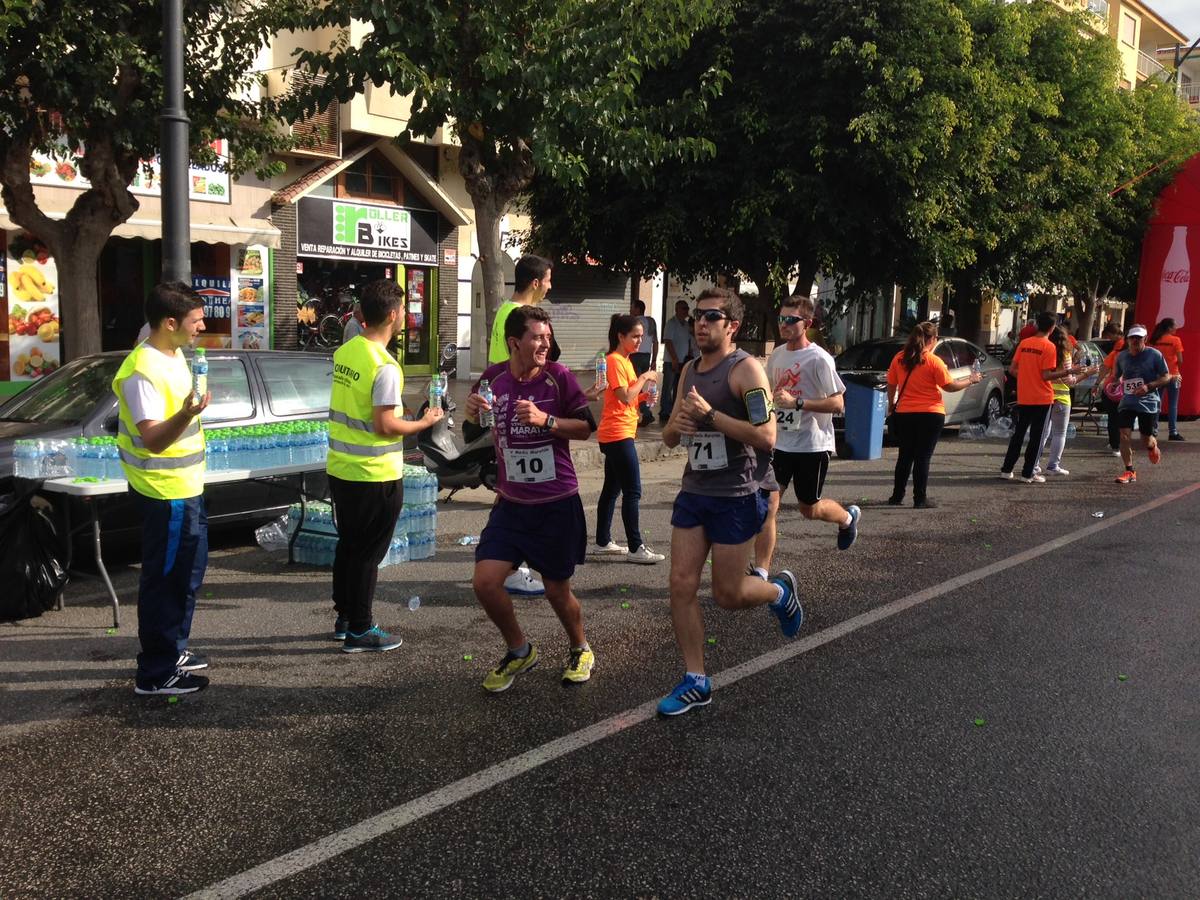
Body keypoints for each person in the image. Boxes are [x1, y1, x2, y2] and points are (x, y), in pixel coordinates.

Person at [657, 287, 801, 717]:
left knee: (729, 594)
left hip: (737, 494)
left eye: (711, 316)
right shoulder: (688, 373)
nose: (700, 323)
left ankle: (778, 592)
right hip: (695, 491)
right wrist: (677, 425)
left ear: (732, 325)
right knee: (680, 584)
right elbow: (669, 436)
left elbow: (768, 436)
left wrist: (712, 417)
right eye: (696, 317)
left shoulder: (747, 371)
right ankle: (696, 680)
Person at [467, 305, 598, 692]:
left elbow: (586, 428)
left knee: (557, 589)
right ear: (514, 342)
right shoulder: (492, 378)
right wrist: (473, 413)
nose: (545, 343)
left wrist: (547, 421)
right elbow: (474, 426)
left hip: (555, 502)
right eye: (537, 337)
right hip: (511, 503)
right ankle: (520, 650)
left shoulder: (559, 379)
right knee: (485, 582)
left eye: (547, 336)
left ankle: (580, 647)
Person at [326, 280, 443, 652]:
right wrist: (425, 422)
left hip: (341, 468)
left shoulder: (347, 352)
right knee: (367, 554)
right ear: (393, 316)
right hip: (374, 474)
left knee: (349, 546)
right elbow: (386, 425)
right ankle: (360, 629)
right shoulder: (385, 366)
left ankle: (345, 617)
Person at [113, 282, 212, 695]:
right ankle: (155, 673)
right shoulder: (142, 370)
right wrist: (188, 414)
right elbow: (153, 438)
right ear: (169, 322)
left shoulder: (174, 354)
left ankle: (174, 650)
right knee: (165, 581)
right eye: (195, 320)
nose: (202, 327)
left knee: (188, 575)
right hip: (163, 492)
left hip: (186, 487)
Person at [765, 295, 860, 547]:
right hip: (781, 442)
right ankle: (761, 572)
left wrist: (798, 403)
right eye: (781, 318)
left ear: (807, 323)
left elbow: (838, 404)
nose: (783, 324)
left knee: (809, 508)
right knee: (768, 506)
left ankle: (847, 518)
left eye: (790, 319)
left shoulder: (819, 358)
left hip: (812, 445)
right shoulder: (776, 355)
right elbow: (768, 393)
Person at [486, 254, 555, 597]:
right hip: (519, 413)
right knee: (521, 489)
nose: (550, 286)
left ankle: (511, 561)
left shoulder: (503, 311)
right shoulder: (517, 317)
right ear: (535, 282)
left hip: (511, 410)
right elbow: (509, 367)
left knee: (515, 487)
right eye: (548, 280)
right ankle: (513, 566)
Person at [886, 322, 981, 508]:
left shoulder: (899, 358)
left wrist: (892, 405)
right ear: (932, 339)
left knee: (905, 456)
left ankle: (896, 497)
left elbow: (891, 384)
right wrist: (970, 380)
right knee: (923, 457)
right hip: (931, 414)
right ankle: (919, 499)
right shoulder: (933, 361)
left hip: (905, 413)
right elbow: (949, 386)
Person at [593, 314, 664, 563]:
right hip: (617, 433)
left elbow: (628, 398)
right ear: (620, 336)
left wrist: (644, 398)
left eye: (642, 337)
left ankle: (603, 540)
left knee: (612, 490)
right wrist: (645, 378)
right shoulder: (614, 361)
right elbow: (623, 396)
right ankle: (636, 547)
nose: (639, 341)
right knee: (633, 491)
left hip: (622, 430)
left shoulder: (626, 361)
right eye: (634, 336)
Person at [1000, 312, 1079, 484]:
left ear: (1036, 325)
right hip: (1042, 397)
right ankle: (1028, 473)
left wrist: (1027, 375)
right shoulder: (1049, 347)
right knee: (1037, 436)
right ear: (1052, 328)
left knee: (1019, 433)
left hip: (1025, 395)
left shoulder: (1024, 343)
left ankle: (1007, 469)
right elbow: (1046, 376)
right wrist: (1068, 371)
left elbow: (1013, 370)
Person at [1101, 324, 1171, 484]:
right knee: (1124, 435)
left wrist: (1148, 386)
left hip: (1149, 402)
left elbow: (1166, 377)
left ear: (1145, 339)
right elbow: (1117, 376)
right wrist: (1113, 384)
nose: (1135, 341)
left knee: (1146, 439)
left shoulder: (1154, 355)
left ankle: (1152, 446)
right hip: (1128, 401)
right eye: (1132, 337)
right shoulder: (1122, 357)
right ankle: (1129, 471)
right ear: (1127, 339)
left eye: (1139, 338)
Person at [1032, 326, 1095, 477]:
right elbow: (1070, 381)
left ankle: (1034, 464)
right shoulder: (1065, 355)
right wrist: (1087, 374)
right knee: (1059, 433)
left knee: (1043, 433)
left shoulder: (1045, 352)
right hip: (1062, 398)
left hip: (1044, 397)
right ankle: (1053, 465)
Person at [661, 299, 697, 423]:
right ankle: (664, 411)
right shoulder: (671, 323)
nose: (686, 311)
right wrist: (674, 359)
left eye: (687, 308)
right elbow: (668, 341)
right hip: (671, 361)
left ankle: (674, 410)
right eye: (684, 308)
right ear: (677, 310)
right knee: (668, 387)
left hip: (683, 361)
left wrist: (690, 354)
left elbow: (688, 341)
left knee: (678, 387)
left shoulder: (686, 325)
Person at [1149, 318, 1184, 441]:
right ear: (1169, 328)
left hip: (1158, 376)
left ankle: (1153, 430)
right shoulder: (1176, 340)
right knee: (1173, 405)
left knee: (1156, 403)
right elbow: (1180, 360)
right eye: (1175, 326)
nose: (1176, 328)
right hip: (1173, 376)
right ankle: (1173, 432)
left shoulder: (1155, 340)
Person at [630, 298, 658, 425]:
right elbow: (655, 342)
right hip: (647, 356)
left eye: (632, 307)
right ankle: (644, 412)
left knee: (636, 386)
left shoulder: (633, 322)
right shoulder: (651, 322)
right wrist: (654, 359)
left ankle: (646, 413)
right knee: (639, 386)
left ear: (637, 309)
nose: (630, 309)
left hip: (635, 356)